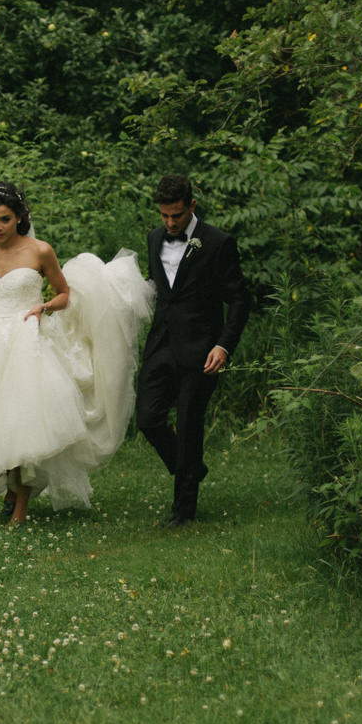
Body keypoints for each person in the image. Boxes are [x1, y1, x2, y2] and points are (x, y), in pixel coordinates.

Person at [0, 181, 154, 524]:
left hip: (28, 341)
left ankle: (19, 508)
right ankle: (11, 490)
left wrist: (43, 307)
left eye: (5, 219)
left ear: (20, 217)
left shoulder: (39, 251)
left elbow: (64, 294)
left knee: (22, 421)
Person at [137, 173, 251, 527]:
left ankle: (183, 512)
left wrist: (223, 346)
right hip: (160, 346)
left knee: (188, 425)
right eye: (164, 215)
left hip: (202, 350)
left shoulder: (217, 242)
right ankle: (191, 468)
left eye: (177, 216)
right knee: (147, 418)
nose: (170, 223)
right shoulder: (154, 238)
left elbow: (239, 298)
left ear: (192, 206)